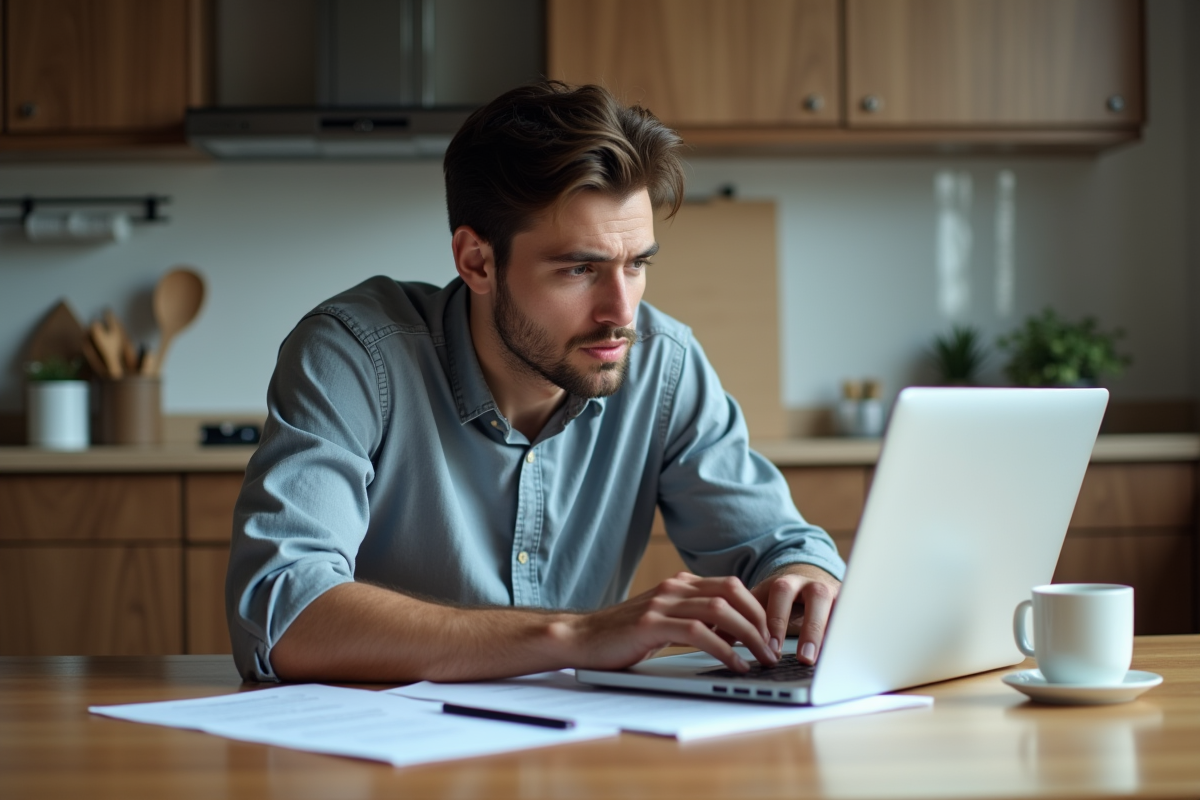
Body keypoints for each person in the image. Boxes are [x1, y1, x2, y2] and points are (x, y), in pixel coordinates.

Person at [227, 81, 845, 684]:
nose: (622, 312)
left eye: (637, 265)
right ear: (477, 261)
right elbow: (283, 608)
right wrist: (577, 636)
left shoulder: (663, 363)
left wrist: (804, 580)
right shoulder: (356, 353)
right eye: (579, 269)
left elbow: (775, 544)